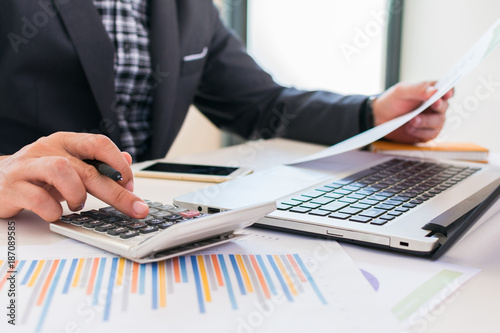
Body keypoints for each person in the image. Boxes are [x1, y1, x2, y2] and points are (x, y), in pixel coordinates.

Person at [0, 0, 453, 222]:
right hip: (23, 228)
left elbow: (262, 105)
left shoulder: (191, 9)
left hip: (139, 222)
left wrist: (374, 112)